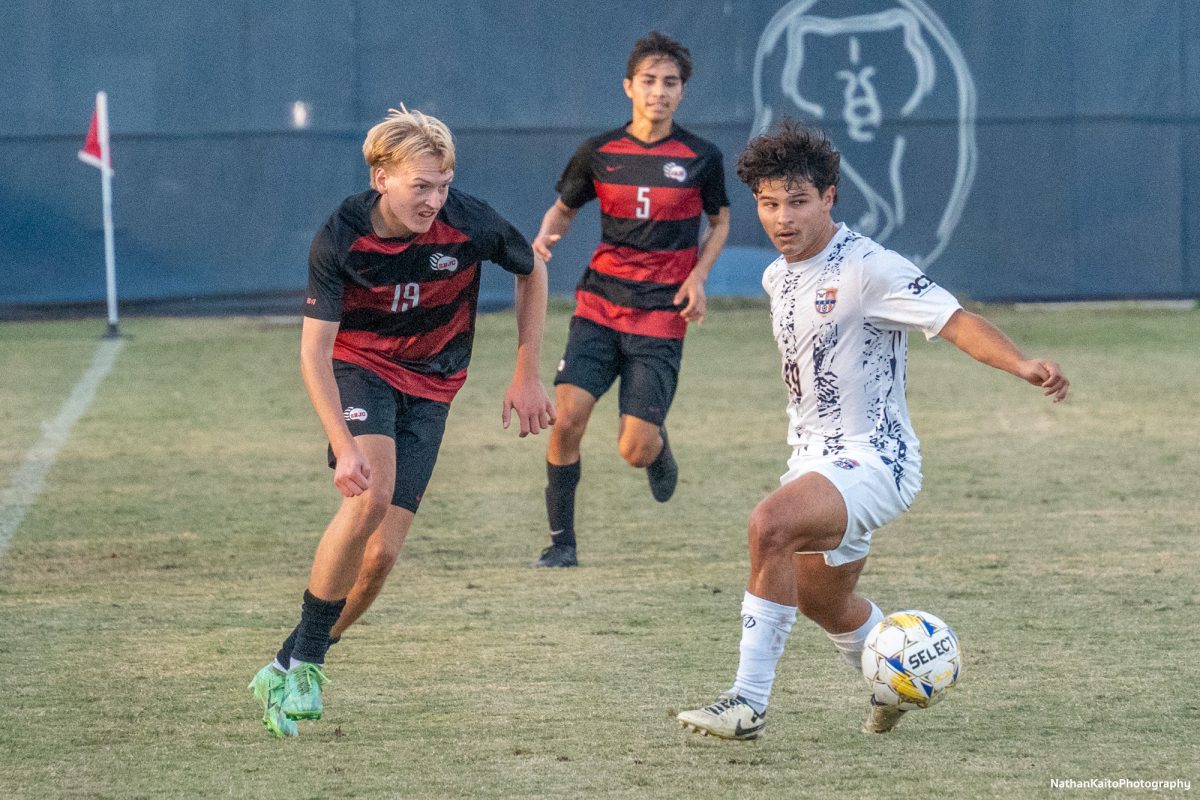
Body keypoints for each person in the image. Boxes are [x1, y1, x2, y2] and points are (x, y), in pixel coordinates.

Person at [676, 119, 1069, 740]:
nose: (782, 218)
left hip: (875, 461)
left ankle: (746, 702)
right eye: (769, 204)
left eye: (798, 202)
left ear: (829, 197)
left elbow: (953, 319)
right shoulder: (776, 276)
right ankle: (896, 682)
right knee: (823, 603)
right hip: (814, 460)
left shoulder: (867, 267)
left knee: (769, 526)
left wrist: (1021, 363)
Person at [249, 108, 555, 738]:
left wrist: (527, 370)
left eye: (442, 185)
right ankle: (306, 663)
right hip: (362, 368)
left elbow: (533, 270)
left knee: (382, 557)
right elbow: (313, 353)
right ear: (381, 176)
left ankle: (292, 656)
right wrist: (343, 445)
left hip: (435, 384)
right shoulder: (340, 237)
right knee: (372, 497)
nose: (435, 200)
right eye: (421, 185)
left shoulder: (468, 221)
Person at [532, 31, 731, 568]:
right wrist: (544, 239)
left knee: (632, 450)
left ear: (682, 92)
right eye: (649, 81)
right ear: (629, 86)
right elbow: (564, 209)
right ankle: (561, 543)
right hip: (599, 303)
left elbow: (720, 220)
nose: (659, 91)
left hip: (662, 314)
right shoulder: (599, 152)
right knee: (567, 418)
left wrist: (699, 275)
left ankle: (657, 447)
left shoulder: (700, 157)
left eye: (670, 83)